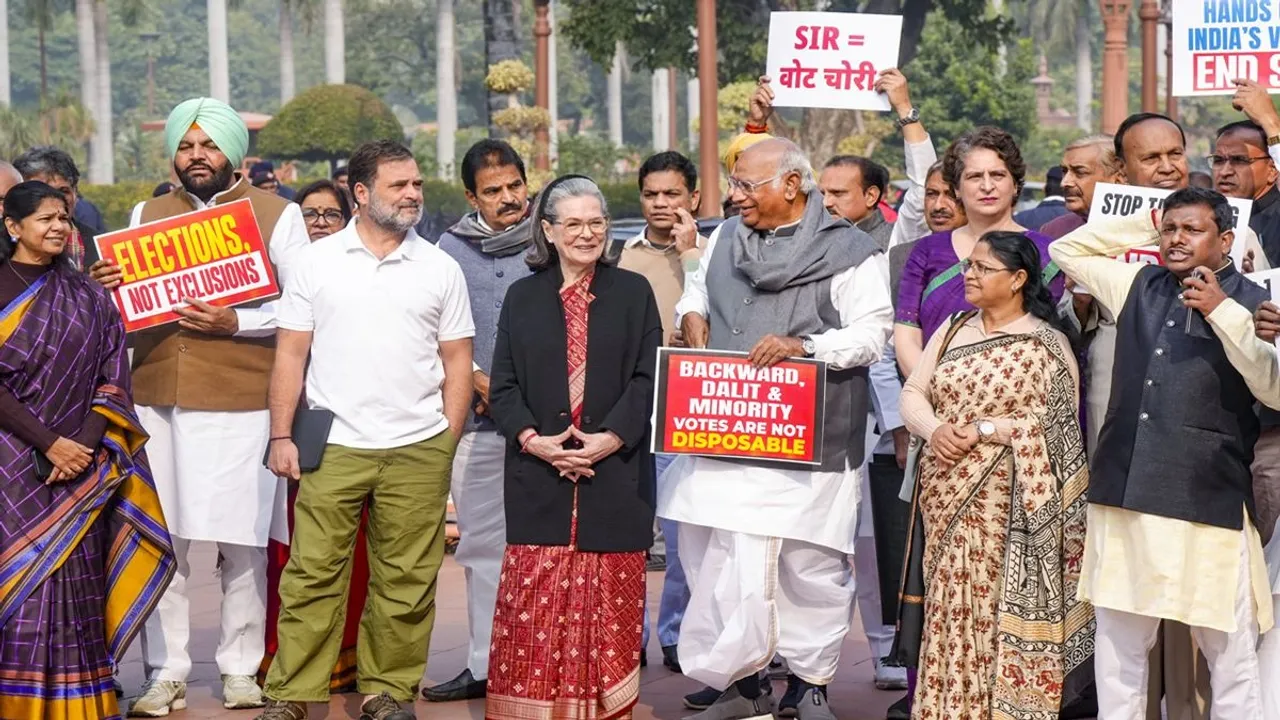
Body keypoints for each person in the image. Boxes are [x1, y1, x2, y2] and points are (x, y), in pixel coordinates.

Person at [86, 97, 310, 716]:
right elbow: (122, 310)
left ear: (233, 152)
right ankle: (167, 671)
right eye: (186, 147)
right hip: (159, 400)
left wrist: (236, 321)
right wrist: (104, 289)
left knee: (243, 544)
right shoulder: (147, 215)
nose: (197, 157)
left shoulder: (278, 216)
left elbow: (303, 306)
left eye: (209, 145)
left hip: (244, 401)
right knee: (168, 543)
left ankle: (240, 668)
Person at [663, 138, 893, 720]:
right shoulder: (722, 238)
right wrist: (693, 319)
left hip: (810, 443)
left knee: (808, 566)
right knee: (715, 559)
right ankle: (741, 686)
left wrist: (803, 346)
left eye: (747, 185)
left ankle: (810, 684)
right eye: (735, 183)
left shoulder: (850, 251)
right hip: (723, 432)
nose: (735, 194)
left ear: (792, 185)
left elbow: (872, 334)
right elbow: (695, 294)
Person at [259, 140, 473, 720]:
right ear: (360, 192)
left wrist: (445, 440)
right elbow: (290, 355)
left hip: (419, 447)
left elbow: (457, 361)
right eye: (399, 185)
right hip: (334, 446)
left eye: (417, 184)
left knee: (407, 579)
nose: (412, 194)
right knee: (310, 576)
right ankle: (292, 694)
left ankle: (388, 691)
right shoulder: (316, 262)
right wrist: (281, 435)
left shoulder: (440, 267)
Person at [1050, 186, 1280, 719]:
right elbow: (1067, 251)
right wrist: (1145, 222)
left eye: (1192, 230)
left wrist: (1222, 312)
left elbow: (1272, 390)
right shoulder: (1138, 283)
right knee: (1119, 648)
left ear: (1226, 239)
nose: (1177, 239)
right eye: (1170, 230)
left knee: (1228, 650)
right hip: (1127, 492)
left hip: (1208, 497)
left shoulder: (1254, 302)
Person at [482, 173, 660, 720]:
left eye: (597, 223)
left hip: (616, 473)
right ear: (549, 230)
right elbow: (503, 385)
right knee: (531, 607)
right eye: (574, 224)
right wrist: (536, 442)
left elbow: (648, 377)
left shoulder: (633, 292)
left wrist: (610, 438)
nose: (587, 234)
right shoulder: (523, 296)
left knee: (612, 609)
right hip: (539, 476)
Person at [0, 181, 176, 719]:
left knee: (78, 586)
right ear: (13, 227)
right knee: (20, 588)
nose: (58, 227)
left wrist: (82, 443)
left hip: (82, 465)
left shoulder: (89, 295)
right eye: (44, 219)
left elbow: (113, 377)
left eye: (63, 218)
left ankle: (81, 705)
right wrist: (50, 443)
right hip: (12, 467)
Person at [897, 231, 1091, 718]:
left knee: (991, 615)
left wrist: (987, 428)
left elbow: (1059, 430)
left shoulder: (1046, 345)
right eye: (970, 265)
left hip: (1010, 509)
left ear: (1019, 279)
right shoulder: (953, 328)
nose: (970, 274)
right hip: (944, 495)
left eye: (983, 268)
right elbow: (914, 391)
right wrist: (935, 429)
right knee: (948, 610)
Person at [424, 139, 535, 704]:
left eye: (515, 185)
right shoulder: (447, 251)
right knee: (484, 550)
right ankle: (486, 664)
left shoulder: (552, 239)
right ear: (472, 197)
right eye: (493, 191)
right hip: (479, 425)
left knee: (547, 551)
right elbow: (430, 329)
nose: (508, 198)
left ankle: (543, 665)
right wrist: (479, 382)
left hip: (550, 426)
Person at [259, 176, 360, 693]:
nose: (319, 223)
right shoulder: (274, 278)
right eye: (309, 214)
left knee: (356, 550)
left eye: (331, 214)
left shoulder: (364, 272)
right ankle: (284, 659)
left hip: (357, 430)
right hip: (292, 426)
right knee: (291, 546)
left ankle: (349, 657)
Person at [620, 150, 705, 674]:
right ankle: (629, 635)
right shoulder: (619, 256)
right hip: (630, 408)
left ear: (693, 197)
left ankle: (676, 633)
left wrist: (691, 253)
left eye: (672, 194)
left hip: (687, 409)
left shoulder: (711, 254)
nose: (660, 203)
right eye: (651, 194)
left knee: (681, 537)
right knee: (630, 533)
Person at [894, 126, 1064, 379]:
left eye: (997, 175)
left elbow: (1052, 339)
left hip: (1020, 391)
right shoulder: (928, 251)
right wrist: (938, 390)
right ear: (957, 188)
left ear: (1015, 185)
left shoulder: (1045, 253)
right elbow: (907, 335)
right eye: (974, 176)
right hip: (932, 392)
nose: (987, 186)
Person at [13, 147, 101, 270]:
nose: (55, 202)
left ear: (75, 194)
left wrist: (93, 282)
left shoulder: (101, 249)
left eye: (63, 191)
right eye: (41, 191)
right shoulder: (5, 245)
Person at [820, 156, 894, 250]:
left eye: (838, 193)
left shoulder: (892, 244)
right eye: (822, 193)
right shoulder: (816, 237)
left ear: (870, 196)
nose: (825, 202)